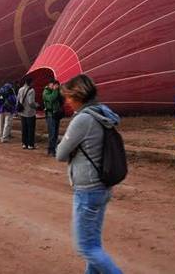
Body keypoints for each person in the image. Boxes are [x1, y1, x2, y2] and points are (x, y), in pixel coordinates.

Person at [55, 74, 122, 274]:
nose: (67, 101)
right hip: (102, 185)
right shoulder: (102, 113)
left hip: (87, 188)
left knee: (86, 247)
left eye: (69, 97)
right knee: (94, 244)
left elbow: (60, 153)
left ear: (78, 96)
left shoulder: (83, 120)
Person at [43, 79, 64, 156]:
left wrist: (59, 91)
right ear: (48, 85)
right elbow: (51, 99)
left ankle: (54, 148)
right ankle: (51, 150)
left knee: (56, 133)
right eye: (52, 85)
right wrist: (55, 91)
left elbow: (62, 101)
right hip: (50, 115)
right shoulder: (46, 92)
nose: (53, 87)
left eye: (54, 85)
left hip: (56, 115)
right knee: (52, 133)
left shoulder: (56, 91)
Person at [17, 78, 38, 149]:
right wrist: (36, 106)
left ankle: (24, 143)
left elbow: (18, 100)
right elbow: (31, 102)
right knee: (31, 129)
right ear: (30, 82)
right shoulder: (31, 90)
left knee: (24, 128)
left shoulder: (20, 89)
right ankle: (30, 144)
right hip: (30, 112)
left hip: (22, 112)